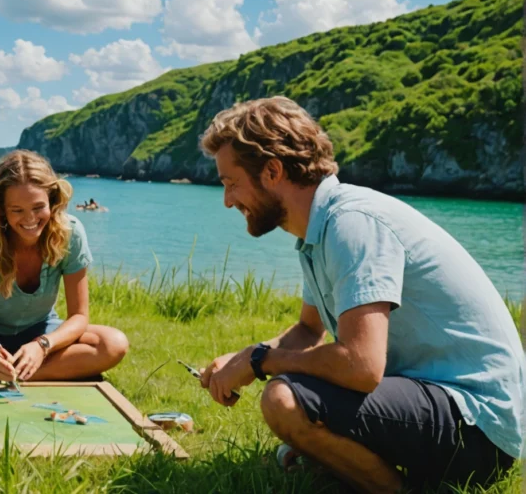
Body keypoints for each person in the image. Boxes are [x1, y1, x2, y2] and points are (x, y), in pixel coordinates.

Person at [196, 97, 523, 493]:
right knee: (297, 407)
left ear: (272, 171)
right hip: (441, 403)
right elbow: (307, 329)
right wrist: (243, 359)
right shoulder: (318, 229)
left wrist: (260, 361)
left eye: (231, 183)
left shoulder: (351, 225)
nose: (228, 200)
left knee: (284, 401)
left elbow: (361, 366)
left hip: (478, 426)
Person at [0, 150, 129, 384]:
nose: (30, 219)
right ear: (1, 208)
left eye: (38, 207)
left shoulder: (71, 233)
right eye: (17, 210)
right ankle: (27, 370)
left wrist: (42, 346)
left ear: (52, 200)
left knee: (113, 344)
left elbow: (79, 317)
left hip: (41, 329)